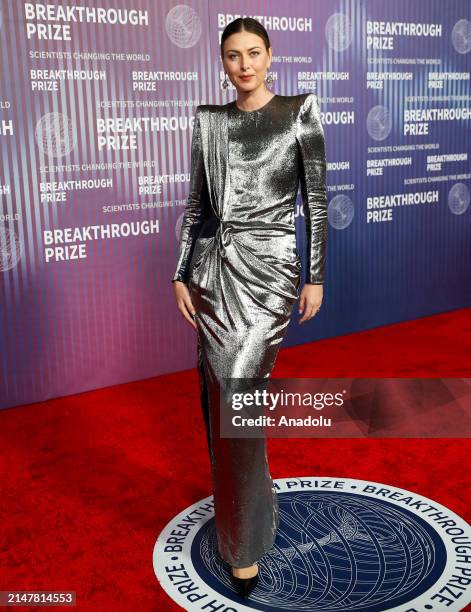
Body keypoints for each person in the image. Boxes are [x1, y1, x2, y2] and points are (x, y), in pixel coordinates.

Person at [172, 17, 327, 599]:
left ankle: (244, 536)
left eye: (254, 53)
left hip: (272, 273)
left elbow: (316, 199)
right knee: (224, 400)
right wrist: (181, 272)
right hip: (213, 274)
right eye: (233, 55)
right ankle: (246, 527)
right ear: (222, 62)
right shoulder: (209, 123)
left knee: (240, 391)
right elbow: (195, 206)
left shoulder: (298, 113)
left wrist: (314, 279)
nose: (244, 65)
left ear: (271, 55)